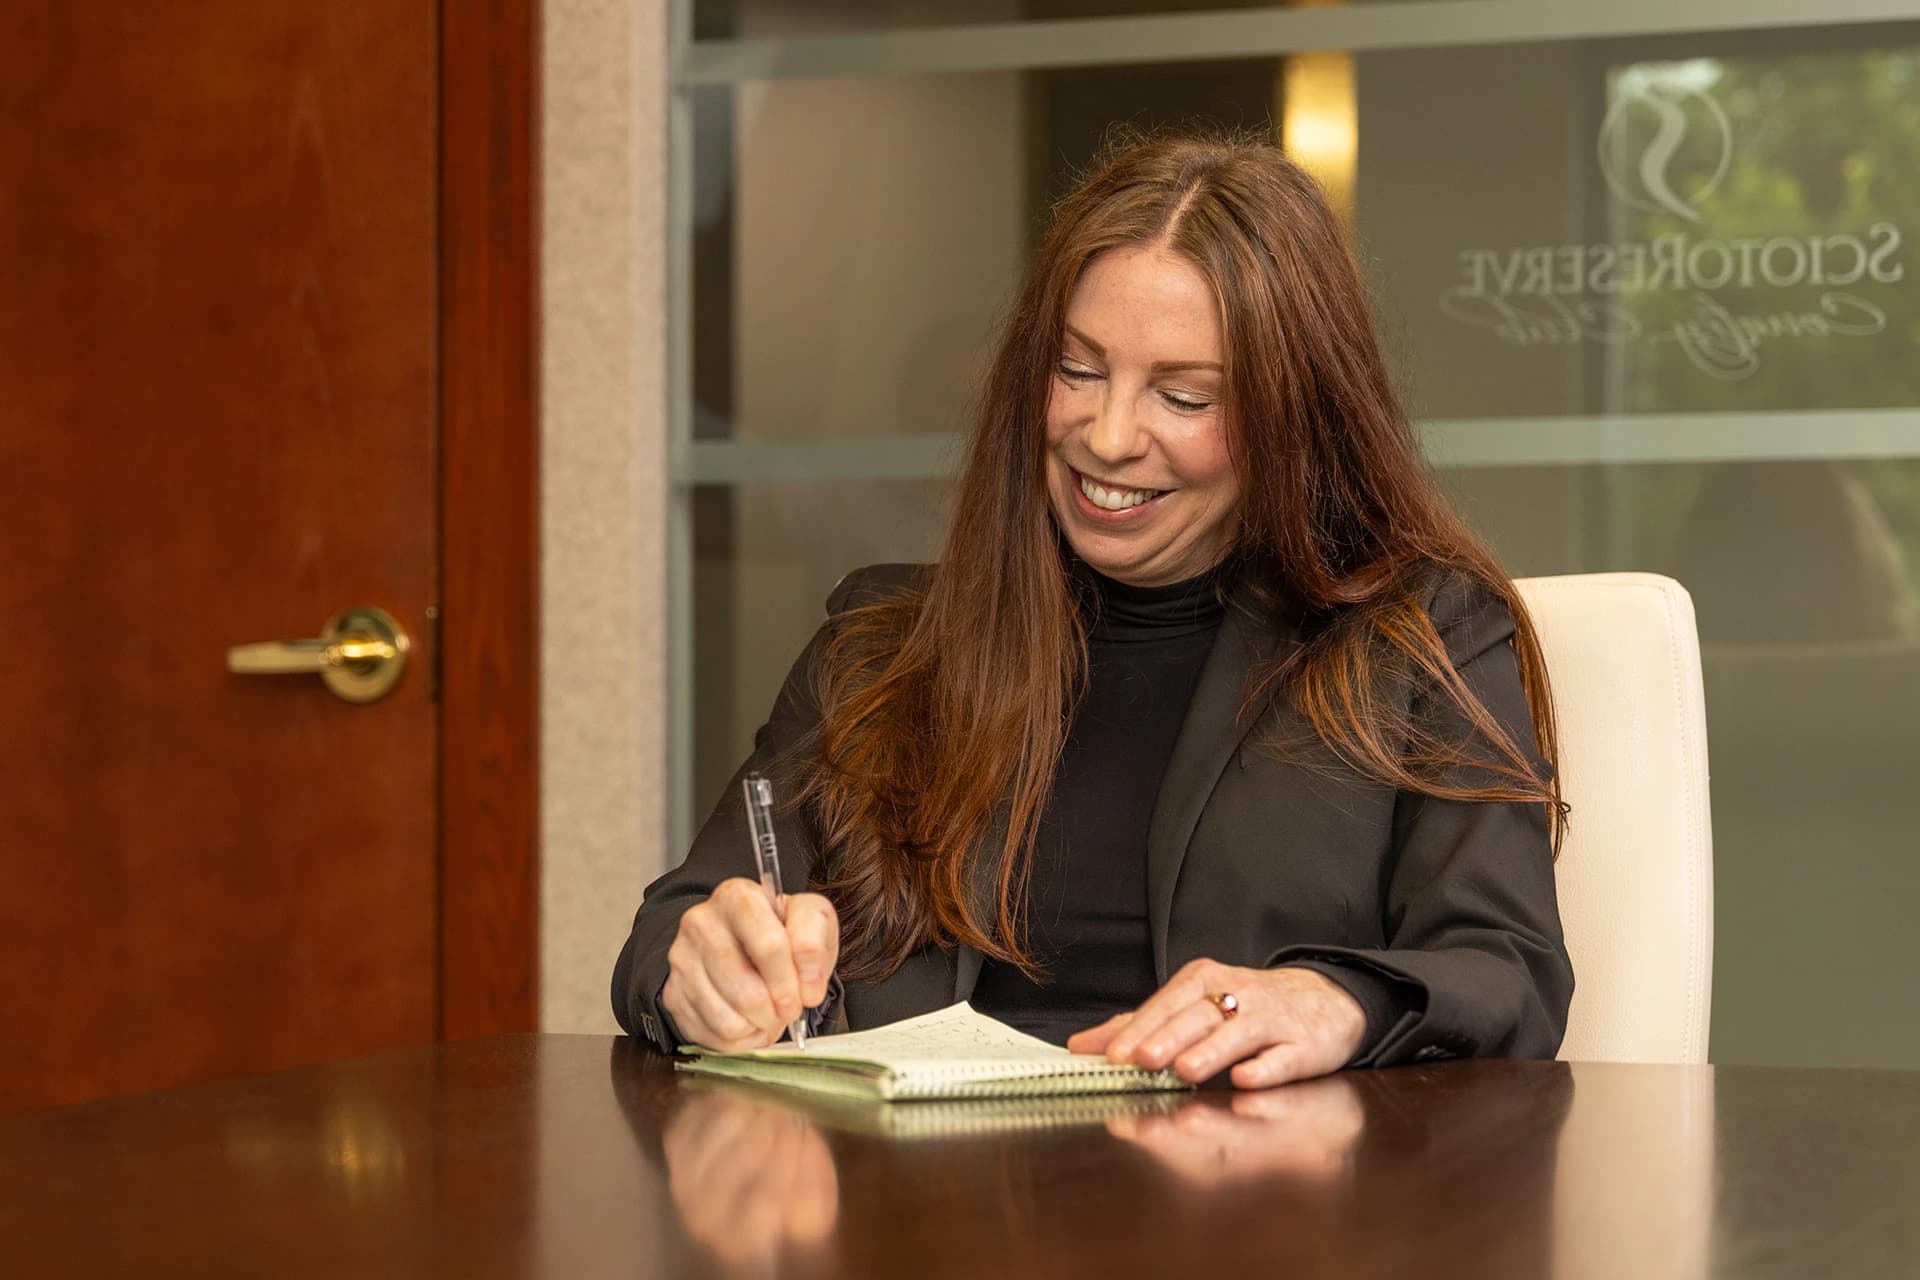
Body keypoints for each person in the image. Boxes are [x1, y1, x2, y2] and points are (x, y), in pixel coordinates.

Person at [613, 130, 1573, 1088]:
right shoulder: (880, 644)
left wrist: (1337, 1001)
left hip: (1249, 1213)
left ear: (1296, 413)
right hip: (909, 1216)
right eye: (1077, 371)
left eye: (1185, 397)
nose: (1108, 437)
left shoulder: (1421, 638)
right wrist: (696, 969)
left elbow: (1507, 971)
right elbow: (676, 925)